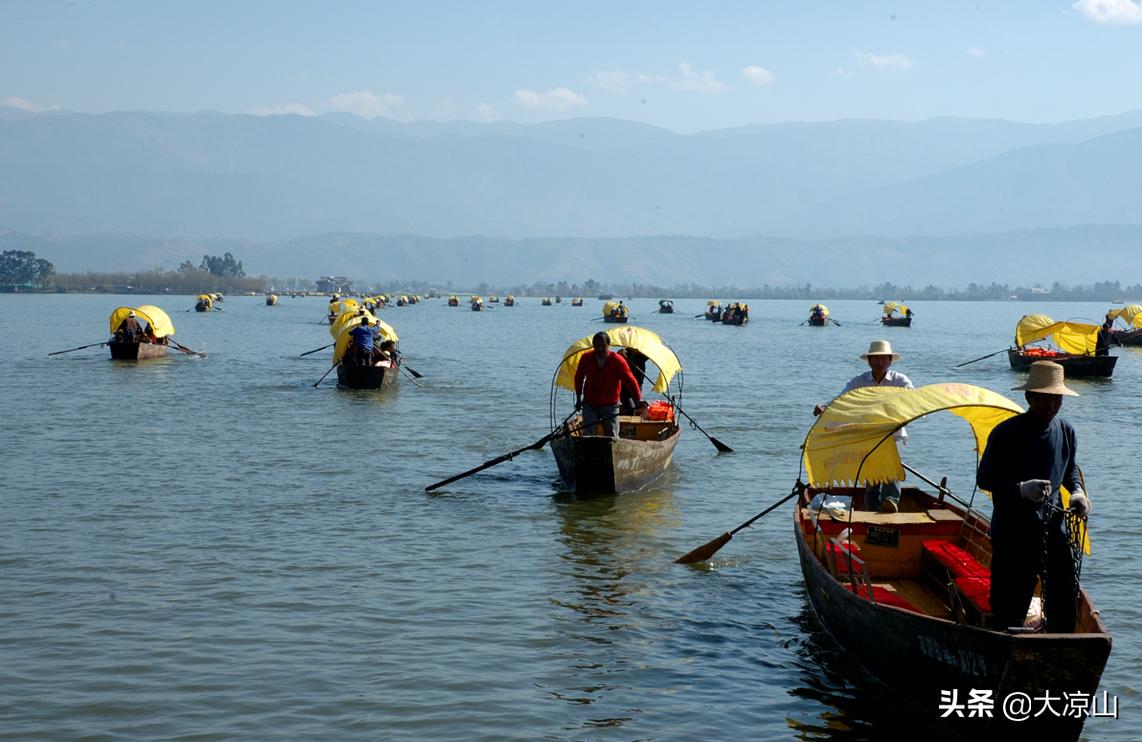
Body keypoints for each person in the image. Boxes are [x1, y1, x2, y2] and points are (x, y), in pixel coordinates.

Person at [976, 361, 1091, 633]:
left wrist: (1077, 492)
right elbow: (985, 479)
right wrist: (1020, 489)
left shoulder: (1066, 431)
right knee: (1009, 606)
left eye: (1056, 399)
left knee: (1064, 598)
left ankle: (1060, 648)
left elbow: (1069, 469)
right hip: (1014, 532)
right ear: (1029, 397)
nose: (1051, 405)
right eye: (1044, 398)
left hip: (1054, 531)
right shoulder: (1006, 433)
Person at [813, 340, 914, 512]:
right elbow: (842, 399)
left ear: (889, 361)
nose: (879, 363)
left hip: (892, 433)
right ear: (869, 361)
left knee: (891, 467)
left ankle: (890, 501)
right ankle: (872, 509)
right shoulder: (860, 381)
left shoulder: (900, 381)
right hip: (867, 434)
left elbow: (914, 400)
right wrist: (824, 408)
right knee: (871, 473)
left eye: (883, 359)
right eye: (876, 359)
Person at [573, 332, 646, 437]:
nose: (600, 349)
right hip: (590, 403)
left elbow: (630, 380)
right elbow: (578, 378)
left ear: (608, 345)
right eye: (597, 346)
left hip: (610, 404)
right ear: (593, 346)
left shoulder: (617, 360)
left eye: (603, 346)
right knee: (588, 434)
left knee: (612, 436)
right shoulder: (586, 358)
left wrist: (638, 399)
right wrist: (578, 398)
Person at [617, 347, 648, 415]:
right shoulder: (624, 353)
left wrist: (626, 357)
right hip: (624, 389)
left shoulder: (642, 356)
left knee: (638, 406)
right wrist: (621, 355)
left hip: (637, 387)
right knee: (630, 407)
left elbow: (636, 363)